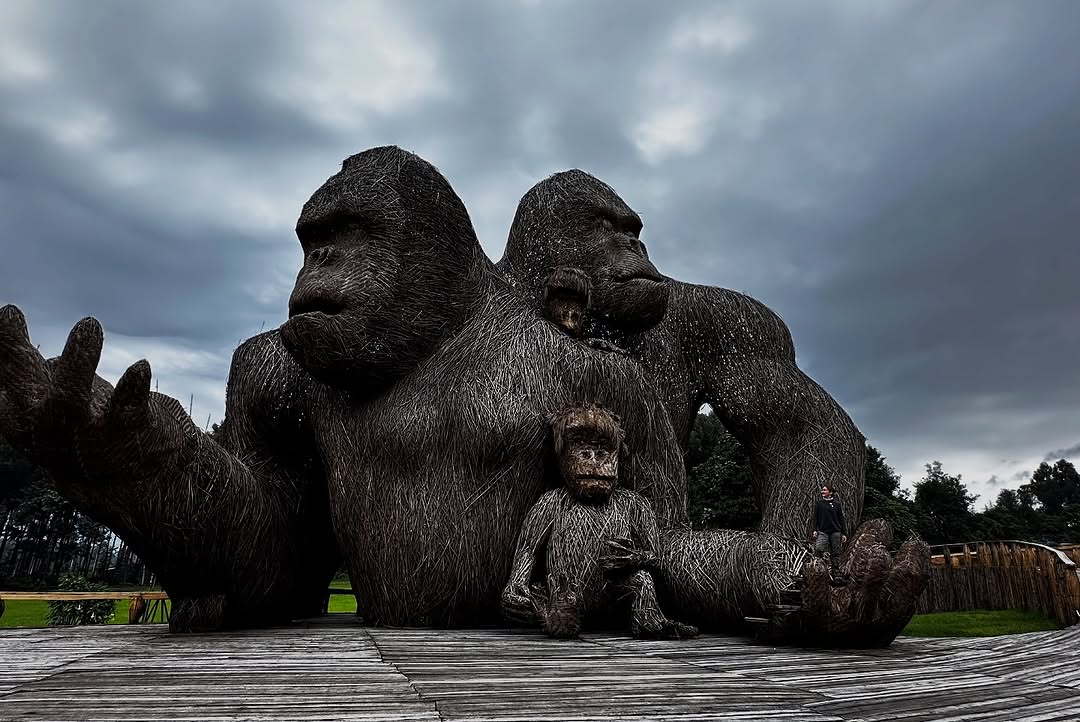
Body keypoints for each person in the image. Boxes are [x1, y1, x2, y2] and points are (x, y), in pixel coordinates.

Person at [813, 484, 847, 577]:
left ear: (830, 492)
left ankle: (836, 572)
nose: (822, 492)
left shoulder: (837, 504)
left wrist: (843, 533)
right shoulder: (819, 504)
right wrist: (815, 529)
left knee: (835, 553)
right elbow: (815, 517)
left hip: (835, 532)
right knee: (819, 549)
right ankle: (819, 571)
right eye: (822, 490)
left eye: (824, 490)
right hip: (823, 531)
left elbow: (841, 519)